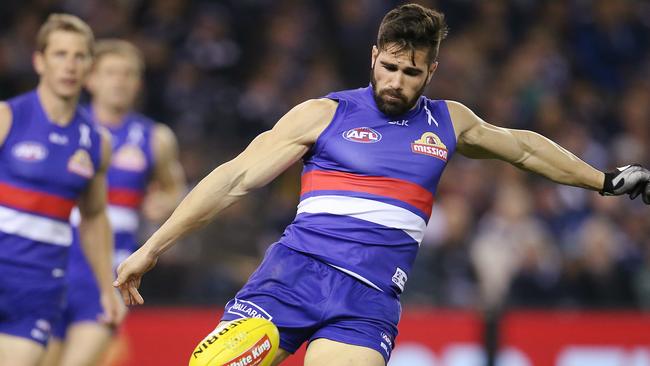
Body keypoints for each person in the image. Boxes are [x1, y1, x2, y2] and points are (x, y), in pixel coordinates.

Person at [114, 4, 650, 366]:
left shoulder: (449, 123)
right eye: (389, 67)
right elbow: (233, 179)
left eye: (410, 73)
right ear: (374, 55)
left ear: (431, 70)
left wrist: (603, 181)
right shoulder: (323, 114)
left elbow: (526, 148)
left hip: (366, 303)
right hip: (290, 280)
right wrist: (151, 247)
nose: (396, 81)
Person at [41, 39, 186, 366]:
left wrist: (164, 203)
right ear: (90, 79)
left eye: (128, 74)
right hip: (51, 266)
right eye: (110, 73)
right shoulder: (63, 127)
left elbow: (174, 188)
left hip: (108, 275)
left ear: (138, 83)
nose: (119, 81)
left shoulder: (154, 137)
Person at [0, 14, 123, 366]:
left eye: (79, 56)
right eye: (60, 54)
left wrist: (105, 288)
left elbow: (95, 217)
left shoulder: (96, 143)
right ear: (40, 61)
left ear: (89, 67)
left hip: (38, 288)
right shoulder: (8, 118)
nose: (70, 65)